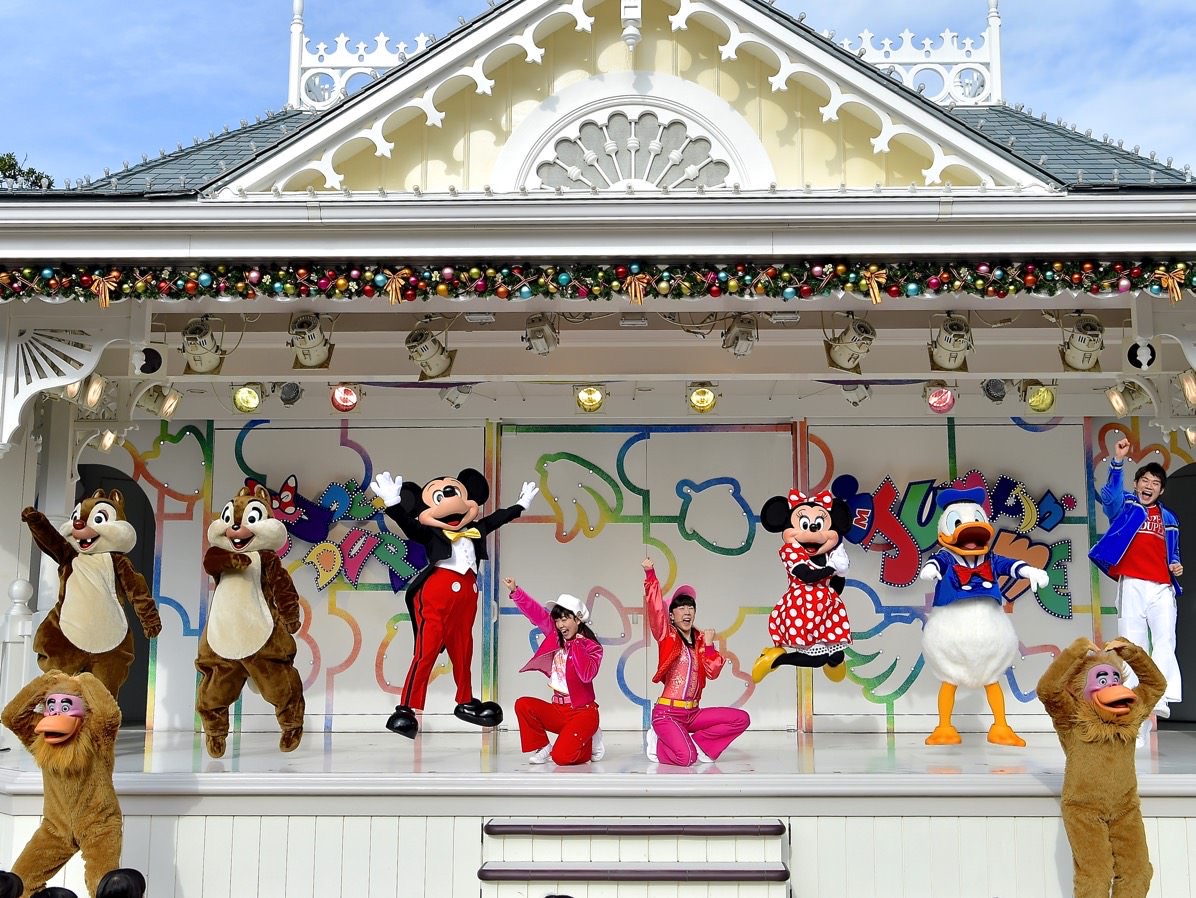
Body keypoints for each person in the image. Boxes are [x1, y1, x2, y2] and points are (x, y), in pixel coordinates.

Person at [1089, 437, 1183, 724]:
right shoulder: (1127, 506)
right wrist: (1117, 462)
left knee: (1165, 639)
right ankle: (1131, 696)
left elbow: (1173, 554)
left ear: (1161, 490)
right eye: (1144, 480)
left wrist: (1176, 566)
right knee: (1131, 641)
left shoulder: (1169, 518)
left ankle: (1160, 694)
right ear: (1136, 484)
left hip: (1162, 587)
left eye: (1155, 483)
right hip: (1132, 583)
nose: (1149, 485)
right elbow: (1109, 497)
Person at [642, 558, 750, 766]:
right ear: (671, 615)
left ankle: (697, 743)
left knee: (741, 718)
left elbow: (713, 672)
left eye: (690, 607)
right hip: (667, 714)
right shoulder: (667, 636)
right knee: (687, 758)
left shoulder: (700, 640)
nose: (687, 612)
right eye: (681, 608)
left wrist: (709, 646)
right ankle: (657, 744)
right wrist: (650, 574)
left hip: (692, 714)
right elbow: (655, 609)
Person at [504, 577, 604, 766]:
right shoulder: (555, 636)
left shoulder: (593, 647)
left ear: (578, 619)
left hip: (583, 713)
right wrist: (516, 591)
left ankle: (590, 736)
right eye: (557, 620)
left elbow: (586, 675)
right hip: (559, 710)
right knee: (523, 705)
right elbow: (537, 614)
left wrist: (577, 644)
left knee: (561, 757)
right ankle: (543, 746)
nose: (560, 625)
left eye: (565, 619)